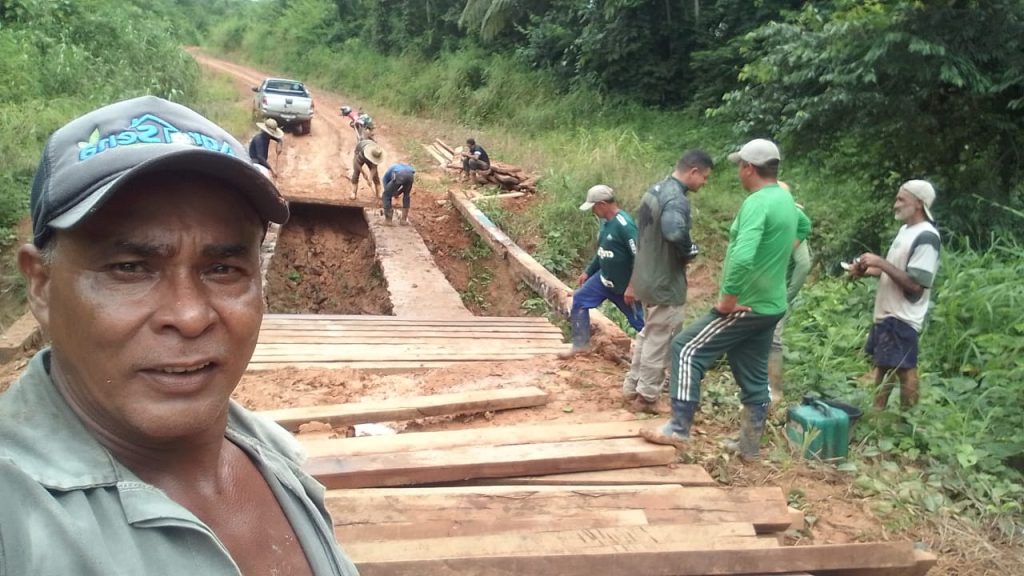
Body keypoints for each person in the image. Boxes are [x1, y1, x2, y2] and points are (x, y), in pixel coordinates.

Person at [0, 96, 360, 575]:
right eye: (130, 268)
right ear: (41, 287)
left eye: (222, 268)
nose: (190, 316)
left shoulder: (275, 454)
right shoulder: (18, 518)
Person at [642, 139, 797, 462]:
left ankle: (679, 428)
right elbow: (803, 228)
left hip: (747, 305)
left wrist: (727, 300)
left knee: (685, 349)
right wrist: (774, 257)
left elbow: (742, 256)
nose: (739, 172)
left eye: (740, 166)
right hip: (773, 305)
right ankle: (749, 447)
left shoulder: (757, 202)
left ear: (748, 168)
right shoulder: (784, 198)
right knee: (753, 374)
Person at [621, 150, 714, 414]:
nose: (704, 183)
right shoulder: (676, 199)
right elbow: (674, 231)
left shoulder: (655, 190)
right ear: (693, 171)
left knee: (647, 333)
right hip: (665, 280)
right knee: (661, 338)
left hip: (646, 276)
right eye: (704, 177)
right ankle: (647, 397)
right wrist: (689, 249)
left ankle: (632, 386)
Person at [848, 180, 940, 410]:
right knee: (883, 365)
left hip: (903, 314)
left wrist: (880, 262)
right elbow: (892, 270)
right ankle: (877, 414)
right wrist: (865, 270)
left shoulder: (927, 237)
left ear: (918, 204)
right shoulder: (905, 231)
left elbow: (916, 285)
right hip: (888, 310)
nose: (895, 204)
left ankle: (908, 420)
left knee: (905, 368)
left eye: (901, 199)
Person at [560, 184, 644, 358]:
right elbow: (603, 252)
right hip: (604, 279)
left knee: (641, 322)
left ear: (602, 205)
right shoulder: (605, 224)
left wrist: (632, 287)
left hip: (624, 285)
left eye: (594, 208)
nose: (593, 212)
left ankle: (665, 358)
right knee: (580, 300)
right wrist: (589, 272)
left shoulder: (625, 226)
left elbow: (640, 257)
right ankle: (580, 345)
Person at [768, 181, 813, 401]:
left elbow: (804, 264)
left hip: (776, 294)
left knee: (772, 340)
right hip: (768, 291)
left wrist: (788, 295)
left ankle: (774, 392)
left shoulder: (794, 222)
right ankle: (766, 390)